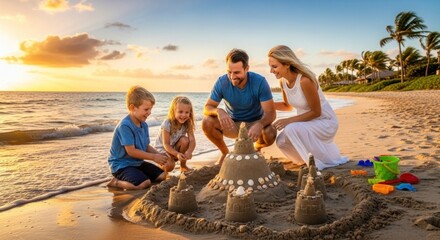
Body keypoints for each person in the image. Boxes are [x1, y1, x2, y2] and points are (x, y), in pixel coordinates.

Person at [268, 45, 348, 170]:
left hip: (324, 121)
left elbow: (316, 112)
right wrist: (264, 104)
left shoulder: (304, 80)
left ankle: (314, 164)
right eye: (270, 66)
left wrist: (287, 121)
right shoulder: (282, 82)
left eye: (274, 66)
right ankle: (306, 160)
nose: (271, 71)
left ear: (287, 64)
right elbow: (287, 106)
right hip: (306, 122)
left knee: (290, 129)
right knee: (281, 141)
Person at [202, 48, 277, 165]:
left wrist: (260, 124)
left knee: (270, 132)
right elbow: (207, 107)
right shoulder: (222, 82)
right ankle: (225, 153)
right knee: (207, 122)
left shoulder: (260, 82)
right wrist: (219, 111)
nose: (232, 76)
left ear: (247, 69)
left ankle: (255, 150)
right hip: (233, 124)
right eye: (229, 72)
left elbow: (271, 113)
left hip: (255, 123)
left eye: (236, 72)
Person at [107, 86, 169, 190]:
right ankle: (116, 182)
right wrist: (153, 158)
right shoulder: (125, 126)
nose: (149, 112)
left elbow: (145, 146)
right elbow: (131, 151)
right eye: (146, 109)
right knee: (144, 184)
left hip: (137, 163)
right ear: (132, 108)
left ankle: (137, 175)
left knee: (163, 176)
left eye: (150, 109)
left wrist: (158, 155)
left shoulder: (143, 124)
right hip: (121, 165)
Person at [155, 96, 196, 173]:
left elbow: (192, 140)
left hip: (174, 148)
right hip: (162, 150)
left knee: (185, 140)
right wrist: (177, 154)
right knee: (170, 166)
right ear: (173, 112)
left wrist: (189, 151)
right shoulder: (167, 123)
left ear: (190, 113)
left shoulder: (188, 123)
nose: (183, 115)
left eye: (187, 112)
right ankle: (161, 168)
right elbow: (166, 144)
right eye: (180, 112)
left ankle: (183, 166)